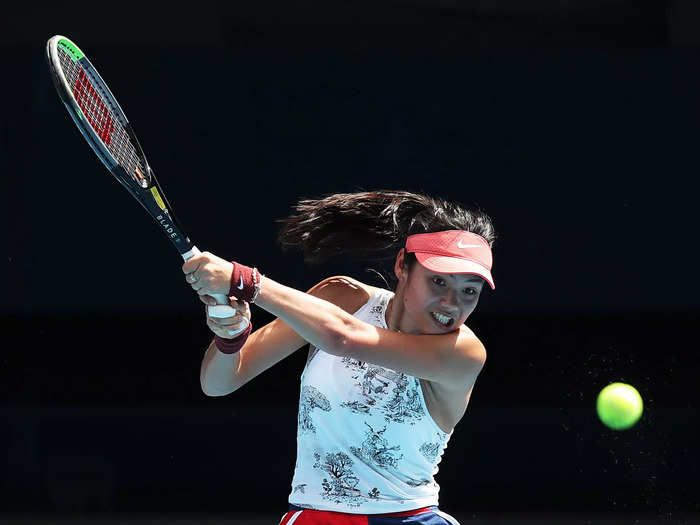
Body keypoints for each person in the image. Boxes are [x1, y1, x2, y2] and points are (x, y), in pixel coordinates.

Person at [182, 190, 496, 525]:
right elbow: (219, 382)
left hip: (409, 518)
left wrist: (244, 281)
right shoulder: (341, 299)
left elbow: (343, 338)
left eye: (469, 291)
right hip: (315, 517)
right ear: (402, 265)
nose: (451, 303)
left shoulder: (463, 352)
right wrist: (231, 337)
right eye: (438, 281)